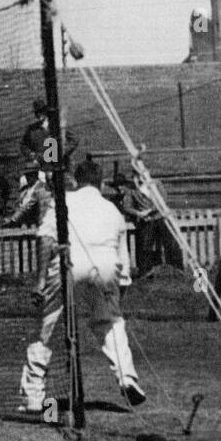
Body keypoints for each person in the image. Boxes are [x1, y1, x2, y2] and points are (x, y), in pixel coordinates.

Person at [19, 158, 144, 414]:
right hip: (105, 266)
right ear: (102, 183)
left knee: (47, 327)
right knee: (110, 322)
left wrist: (41, 281)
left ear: (76, 181)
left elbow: (45, 238)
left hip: (70, 264)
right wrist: (120, 290)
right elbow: (123, 261)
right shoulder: (113, 210)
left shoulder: (63, 203)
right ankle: (126, 378)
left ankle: (33, 396)